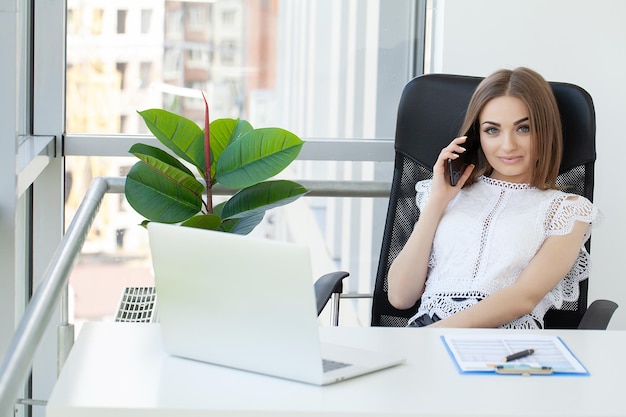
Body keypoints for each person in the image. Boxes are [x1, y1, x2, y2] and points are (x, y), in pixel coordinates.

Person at [387, 67, 599, 329]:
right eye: (492, 130)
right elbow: (400, 296)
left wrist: (430, 337)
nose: (508, 145)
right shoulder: (439, 195)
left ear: (545, 131)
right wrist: (438, 203)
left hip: (503, 345)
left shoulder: (566, 211)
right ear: (477, 136)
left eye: (524, 128)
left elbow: (522, 299)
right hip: (427, 336)